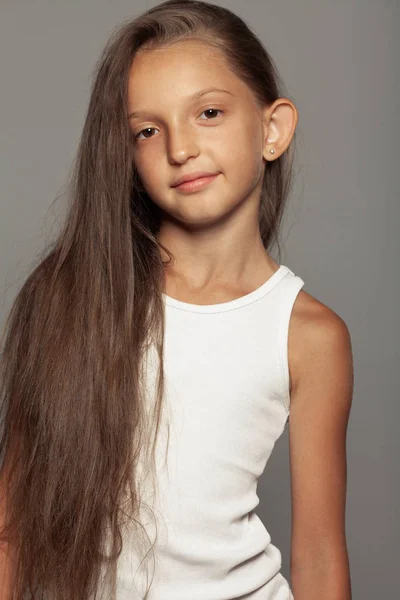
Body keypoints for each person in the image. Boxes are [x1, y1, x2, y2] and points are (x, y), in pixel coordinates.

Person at [0, 1, 354, 599]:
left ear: (272, 129)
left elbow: (319, 556)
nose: (180, 148)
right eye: (148, 129)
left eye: (209, 112)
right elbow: (11, 528)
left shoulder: (310, 334)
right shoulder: (71, 293)